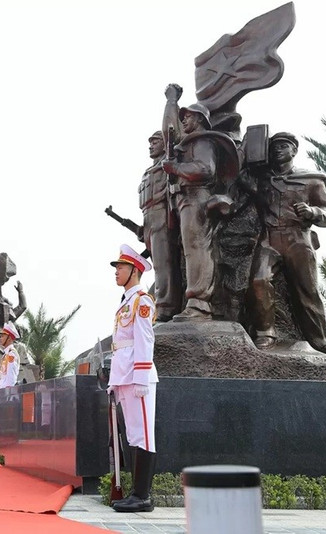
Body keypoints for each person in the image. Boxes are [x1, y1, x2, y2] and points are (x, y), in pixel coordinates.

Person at [247, 132, 326, 355]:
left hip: (298, 239)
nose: (277, 150)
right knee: (259, 279)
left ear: (294, 150)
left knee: (307, 289)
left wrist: (313, 212)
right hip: (268, 239)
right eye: (273, 147)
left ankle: (320, 340)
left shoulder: (312, 179)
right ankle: (266, 334)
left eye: (283, 146)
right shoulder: (261, 179)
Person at [161, 84, 238, 320]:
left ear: (200, 120)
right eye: (183, 117)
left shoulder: (203, 142)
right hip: (185, 199)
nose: (184, 121)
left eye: (188, 117)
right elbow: (169, 131)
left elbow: (205, 170)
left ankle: (200, 304)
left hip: (198, 197)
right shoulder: (189, 142)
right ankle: (194, 301)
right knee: (190, 251)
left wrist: (176, 167)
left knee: (197, 250)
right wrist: (171, 102)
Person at [108, 244, 157, 513]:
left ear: (135, 271)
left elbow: (144, 340)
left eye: (121, 268)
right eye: (117, 267)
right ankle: (136, 494)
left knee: (143, 436)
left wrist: (140, 376)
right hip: (124, 375)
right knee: (133, 436)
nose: (117, 272)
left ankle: (143, 496)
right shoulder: (126, 302)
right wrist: (114, 380)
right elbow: (121, 345)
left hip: (139, 378)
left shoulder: (141, 301)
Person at [139, 130, 182, 321]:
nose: (150, 145)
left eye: (155, 141)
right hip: (149, 218)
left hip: (163, 215)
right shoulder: (149, 171)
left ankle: (165, 307)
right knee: (158, 264)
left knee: (164, 264)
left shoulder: (167, 165)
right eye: (150, 142)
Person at [0, 322, 20, 407]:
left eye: (3, 336)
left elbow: (11, 378)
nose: (0, 338)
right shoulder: (6, 354)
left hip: (7, 397)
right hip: (3, 395)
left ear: (9, 338)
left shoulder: (11, 354)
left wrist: (8, 397)